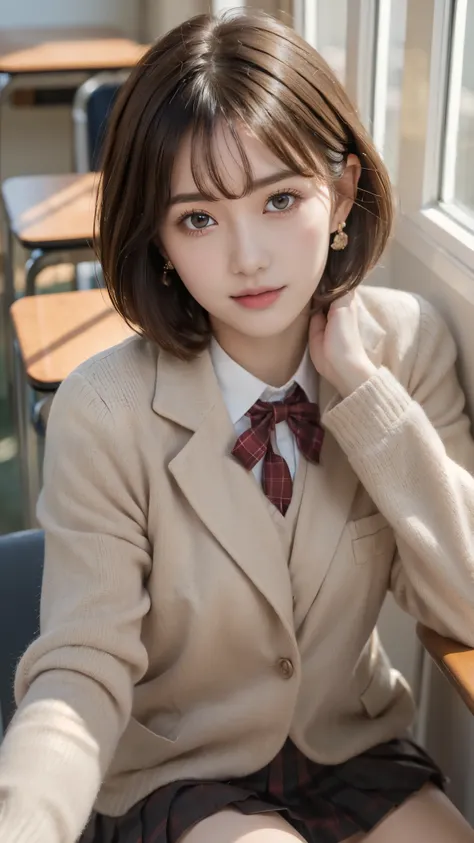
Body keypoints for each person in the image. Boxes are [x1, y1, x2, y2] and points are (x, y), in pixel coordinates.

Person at [0, 9, 474, 843]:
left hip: (347, 748)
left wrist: (365, 396)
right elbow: (83, 666)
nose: (247, 256)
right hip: (178, 770)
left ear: (342, 194)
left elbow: (465, 602)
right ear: (160, 240)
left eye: (281, 199)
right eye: (199, 219)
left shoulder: (410, 348)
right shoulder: (102, 408)